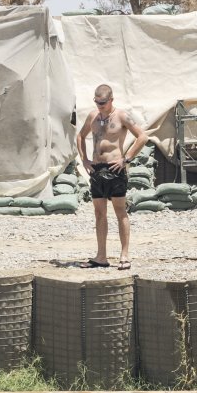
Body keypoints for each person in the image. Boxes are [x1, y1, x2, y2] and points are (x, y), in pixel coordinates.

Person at [75, 84, 148, 271]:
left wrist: (127, 159)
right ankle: (101, 256)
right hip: (97, 169)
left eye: (103, 102)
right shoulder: (93, 116)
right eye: (97, 102)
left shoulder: (121, 116)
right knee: (99, 213)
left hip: (115, 168)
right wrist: (84, 160)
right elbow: (80, 136)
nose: (100, 106)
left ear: (111, 100)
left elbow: (142, 137)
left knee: (120, 212)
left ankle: (124, 254)